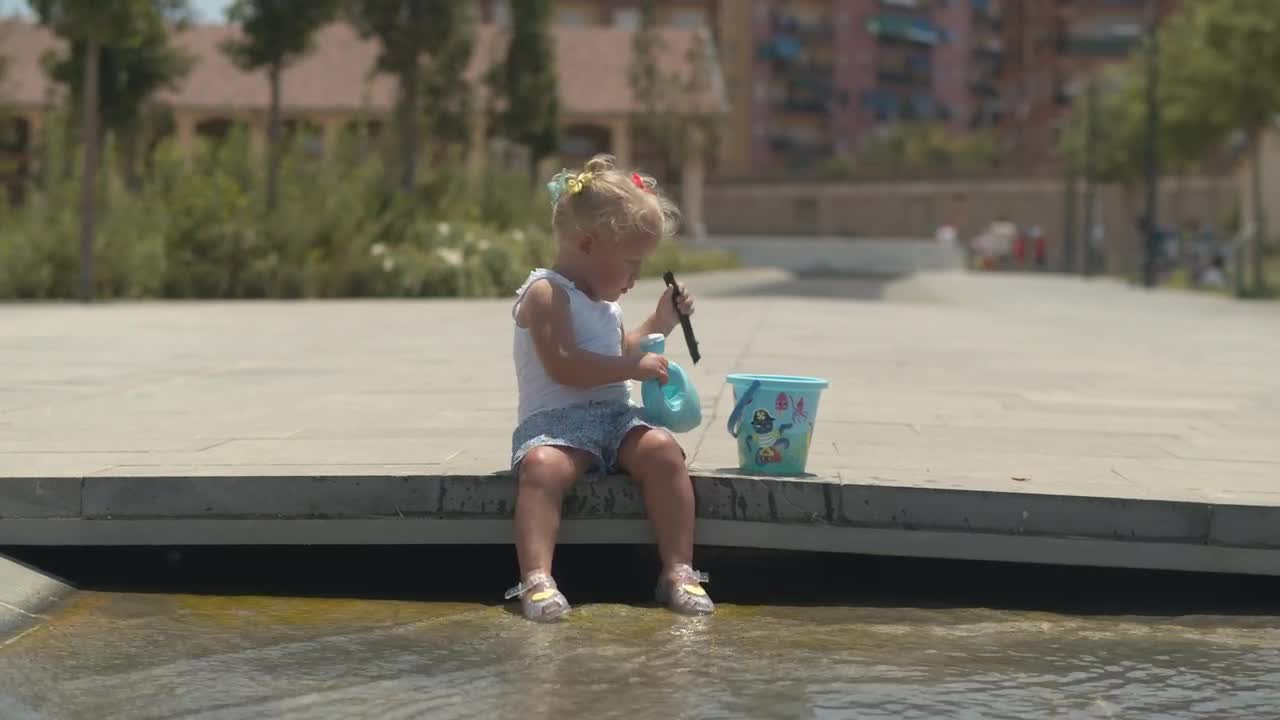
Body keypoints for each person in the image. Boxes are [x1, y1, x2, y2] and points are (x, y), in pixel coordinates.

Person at [505, 154, 714, 622]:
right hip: (556, 426)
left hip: (614, 420)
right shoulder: (546, 294)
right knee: (542, 469)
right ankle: (536, 578)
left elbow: (621, 349)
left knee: (663, 450)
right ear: (586, 244)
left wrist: (663, 321)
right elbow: (566, 366)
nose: (634, 278)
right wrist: (631, 366)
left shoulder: (603, 304)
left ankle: (679, 569)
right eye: (631, 263)